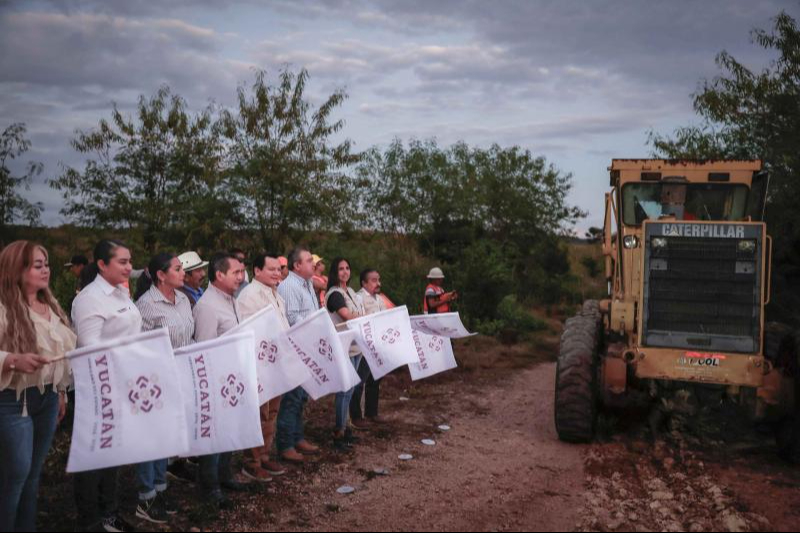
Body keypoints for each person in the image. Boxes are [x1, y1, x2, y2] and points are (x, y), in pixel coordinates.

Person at [0, 241, 76, 533]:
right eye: (37, 265)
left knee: (32, 476)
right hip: (11, 400)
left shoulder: (51, 305)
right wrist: (12, 360)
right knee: (15, 476)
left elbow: (61, 357)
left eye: (46, 264)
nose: (46, 270)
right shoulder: (4, 307)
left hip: (46, 399)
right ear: (16, 269)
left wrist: (60, 392)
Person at [71, 239, 141, 532]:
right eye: (122, 262)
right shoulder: (90, 299)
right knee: (93, 458)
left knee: (113, 454)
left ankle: (109, 514)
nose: (129, 267)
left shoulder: (121, 293)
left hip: (123, 383)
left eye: (130, 262)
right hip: (96, 390)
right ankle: (90, 521)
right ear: (102, 264)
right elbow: (90, 348)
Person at [132, 253, 194, 524]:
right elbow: (140, 348)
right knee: (151, 438)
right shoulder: (145, 305)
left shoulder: (182, 300)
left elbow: (188, 337)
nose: (184, 273)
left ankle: (160, 489)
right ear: (161, 274)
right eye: (178, 269)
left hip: (180, 375)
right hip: (154, 379)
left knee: (167, 435)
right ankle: (146, 496)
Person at [192, 252, 247, 510]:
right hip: (215, 381)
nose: (241, 276)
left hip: (233, 379)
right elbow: (203, 349)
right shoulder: (207, 306)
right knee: (214, 435)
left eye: (241, 271)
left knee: (229, 432)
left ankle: (225, 476)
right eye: (236, 272)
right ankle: (209, 486)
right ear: (219, 275)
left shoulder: (231, 300)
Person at [236, 252, 290, 481]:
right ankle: (252, 461)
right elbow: (252, 332)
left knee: (272, 412)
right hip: (260, 363)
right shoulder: (249, 296)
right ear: (257, 271)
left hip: (277, 362)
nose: (277, 273)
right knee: (259, 413)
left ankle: (265, 454)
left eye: (279, 269)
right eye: (272, 269)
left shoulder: (276, 294)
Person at [276, 247, 321, 463]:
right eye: (309, 261)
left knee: (301, 397)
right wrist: (315, 325)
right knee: (292, 398)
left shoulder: (307, 283)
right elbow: (291, 318)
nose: (313, 264)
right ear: (297, 266)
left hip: (307, 347)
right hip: (295, 348)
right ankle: (285, 445)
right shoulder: (289, 286)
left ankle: (298, 437)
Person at [325, 258, 365, 451]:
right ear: (335, 272)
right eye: (340, 269)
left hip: (356, 346)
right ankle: (338, 431)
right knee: (344, 389)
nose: (345, 272)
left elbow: (358, 313)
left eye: (347, 268)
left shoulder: (350, 291)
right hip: (344, 348)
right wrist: (367, 317)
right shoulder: (334, 294)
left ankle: (347, 427)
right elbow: (347, 316)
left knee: (351, 388)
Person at [351, 269, 390, 429]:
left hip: (378, 344)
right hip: (364, 346)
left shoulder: (380, 298)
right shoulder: (359, 298)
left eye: (378, 280)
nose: (378, 283)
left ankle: (371, 412)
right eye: (373, 280)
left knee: (375, 379)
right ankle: (355, 416)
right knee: (360, 380)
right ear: (364, 283)